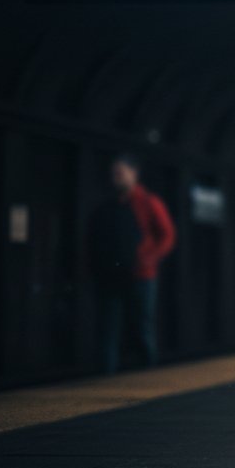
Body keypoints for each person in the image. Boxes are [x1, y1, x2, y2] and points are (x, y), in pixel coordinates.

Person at [87, 153, 175, 375]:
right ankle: (106, 376)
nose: (115, 178)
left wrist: (149, 258)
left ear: (134, 173)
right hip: (112, 275)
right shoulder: (109, 205)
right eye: (113, 173)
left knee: (141, 327)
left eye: (120, 173)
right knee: (109, 328)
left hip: (141, 274)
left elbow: (167, 235)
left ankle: (148, 375)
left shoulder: (149, 202)